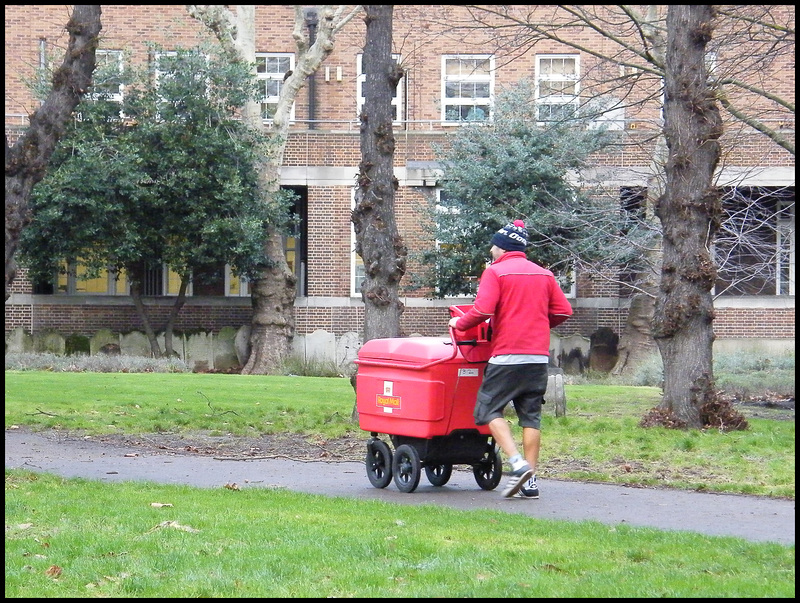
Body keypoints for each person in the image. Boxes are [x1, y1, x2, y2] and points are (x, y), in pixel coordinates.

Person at [448, 220, 573, 498]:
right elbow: (564, 311)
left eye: (494, 245)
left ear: (502, 247)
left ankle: (516, 463)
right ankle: (530, 481)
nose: (491, 250)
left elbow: (482, 310)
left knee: (487, 410)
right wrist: (539, 323)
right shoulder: (544, 274)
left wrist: (460, 324)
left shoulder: (495, 272)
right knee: (531, 417)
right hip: (537, 358)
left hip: (507, 356)